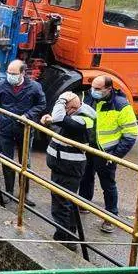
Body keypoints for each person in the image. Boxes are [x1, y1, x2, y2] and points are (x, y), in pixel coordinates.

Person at [79, 75, 138, 233]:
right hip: (89, 147)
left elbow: (131, 134)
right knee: (85, 177)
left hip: (107, 152)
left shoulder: (121, 105)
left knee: (108, 185)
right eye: (93, 88)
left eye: (98, 89)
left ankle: (111, 216)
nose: (94, 91)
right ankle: (84, 204)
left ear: (108, 89)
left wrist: (115, 156)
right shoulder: (88, 98)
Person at [41, 92, 96, 250]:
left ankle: (67, 238)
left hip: (69, 168)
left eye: (65, 107)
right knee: (60, 202)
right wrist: (49, 121)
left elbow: (60, 119)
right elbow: (60, 123)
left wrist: (61, 100)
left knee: (64, 205)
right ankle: (63, 235)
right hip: (60, 166)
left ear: (72, 107)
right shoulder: (73, 114)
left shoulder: (84, 118)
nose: (63, 110)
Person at [0, 59, 47, 200]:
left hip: (24, 130)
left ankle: (24, 195)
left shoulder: (35, 87)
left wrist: (28, 115)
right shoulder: (1, 85)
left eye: (13, 73)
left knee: (25, 163)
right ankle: (8, 192)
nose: (10, 76)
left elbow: (41, 104)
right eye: (8, 73)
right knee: (7, 161)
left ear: (23, 73)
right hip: (5, 129)